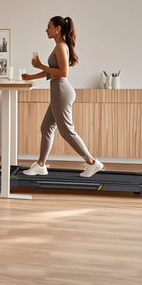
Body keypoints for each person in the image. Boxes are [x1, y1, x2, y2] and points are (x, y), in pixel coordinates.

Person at [21, 16, 104, 177]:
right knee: (46, 127)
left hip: (61, 91)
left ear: (57, 28)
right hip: (58, 91)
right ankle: (41, 164)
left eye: (49, 27)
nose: (46, 30)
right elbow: (52, 71)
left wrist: (40, 65)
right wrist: (30, 76)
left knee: (66, 131)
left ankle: (92, 162)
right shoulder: (59, 46)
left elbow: (63, 73)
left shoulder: (60, 46)